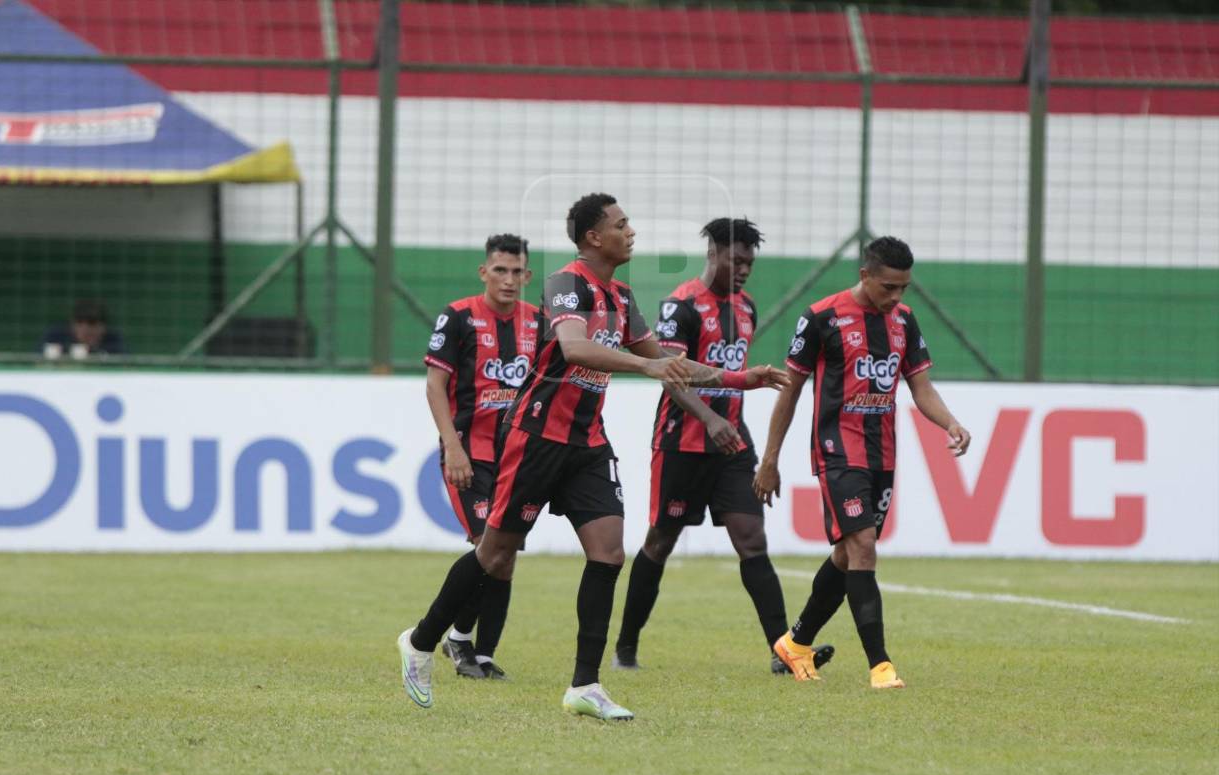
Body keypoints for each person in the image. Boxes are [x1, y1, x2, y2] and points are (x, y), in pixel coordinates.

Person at [398, 193, 787, 720]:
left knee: (608, 553)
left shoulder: (623, 298)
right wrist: (645, 367)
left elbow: (670, 362)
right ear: (592, 238)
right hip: (536, 438)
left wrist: (743, 378)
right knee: (493, 555)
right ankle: (421, 643)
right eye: (621, 225)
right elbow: (576, 349)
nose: (631, 232)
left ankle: (586, 684)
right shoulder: (565, 285)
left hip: (587, 443)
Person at [613, 217, 833, 676]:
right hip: (682, 444)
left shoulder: (747, 307)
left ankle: (783, 652)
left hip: (731, 444)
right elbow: (671, 375)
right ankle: (625, 648)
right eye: (737, 260)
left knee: (752, 541)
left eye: (750, 263)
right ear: (712, 252)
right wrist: (709, 418)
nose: (744, 270)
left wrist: (731, 427)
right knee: (660, 542)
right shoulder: (681, 306)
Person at [754, 236, 971, 689]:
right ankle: (880, 666)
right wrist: (770, 460)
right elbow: (790, 392)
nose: (896, 297)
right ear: (865, 276)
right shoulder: (820, 318)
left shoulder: (904, 321)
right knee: (865, 546)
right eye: (889, 287)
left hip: (882, 454)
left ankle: (794, 644)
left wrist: (949, 422)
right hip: (836, 451)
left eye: (904, 288)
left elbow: (921, 387)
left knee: (845, 554)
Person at [422, 234, 539, 681]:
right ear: (484, 272)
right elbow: (435, 386)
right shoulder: (458, 317)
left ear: (527, 276)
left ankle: (478, 651)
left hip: (520, 457)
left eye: (516, 272)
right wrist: (452, 447)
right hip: (470, 454)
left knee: (505, 553)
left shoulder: (541, 321)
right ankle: (455, 640)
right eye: (500, 270)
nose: (508, 280)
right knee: (488, 548)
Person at [41, 299, 125, 358]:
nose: (85, 328)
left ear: (103, 326)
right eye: (79, 321)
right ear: (72, 324)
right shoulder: (56, 336)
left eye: (92, 322)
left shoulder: (113, 340)